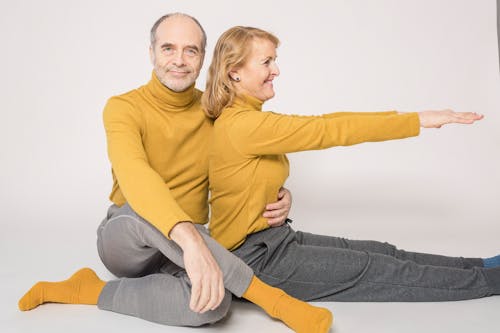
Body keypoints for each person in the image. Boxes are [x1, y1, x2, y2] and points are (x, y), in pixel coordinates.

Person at [17, 14, 333, 333]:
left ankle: (87, 289)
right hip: (128, 237)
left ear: (202, 59)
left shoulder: (214, 114)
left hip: (183, 249)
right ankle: (274, 301)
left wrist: (277, 192)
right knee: (143, 211)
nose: (179, 60)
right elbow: (135, 175)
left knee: (213, 304)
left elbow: (242, 168)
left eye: (191, 50)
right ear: (152, 53)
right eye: (168, 48)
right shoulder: (123, 107)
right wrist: (191, 241)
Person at [203, 26, 500, 302]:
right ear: (235, 72)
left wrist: (412, 115)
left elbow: (328, 121)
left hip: (274, 240)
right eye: (266, 62)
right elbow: (330, 131)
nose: (276, 70)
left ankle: (484, 266)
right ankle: (493, 280)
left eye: (274, 61)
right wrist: (417, 121)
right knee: (383, 269)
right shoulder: (243, 125)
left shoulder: (249, 119)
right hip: (253, 259)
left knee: (385, 253)